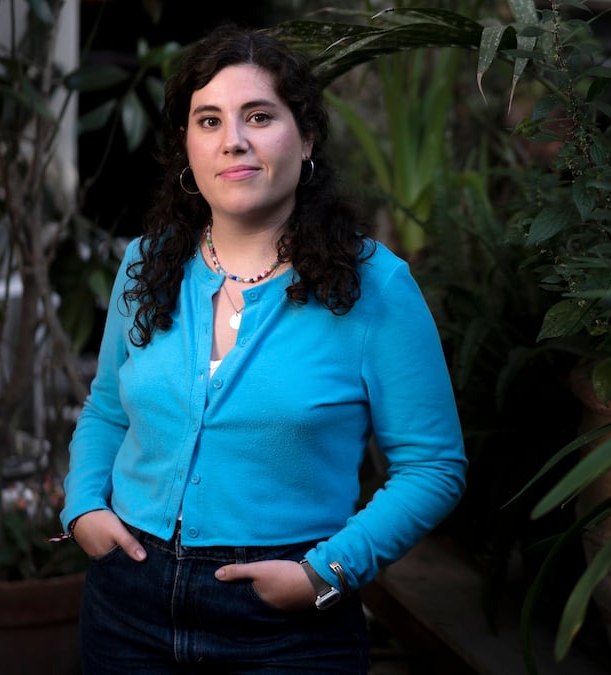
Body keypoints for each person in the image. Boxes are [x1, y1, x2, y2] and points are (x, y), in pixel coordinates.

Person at [59, 24, 467, 674]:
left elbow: (433, 466)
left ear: (305, 139)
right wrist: (82, 504)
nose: (233, 140)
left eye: (258, 116)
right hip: (125, 604)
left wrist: (326, 573)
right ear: (188, 146)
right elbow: (107, 408)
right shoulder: (146, 262)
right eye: (209, 120)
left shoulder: (375, 287)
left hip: (287, 621)